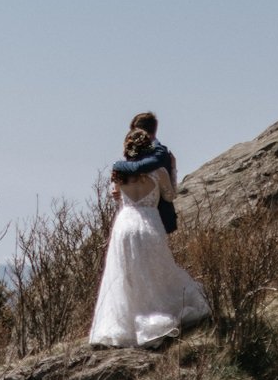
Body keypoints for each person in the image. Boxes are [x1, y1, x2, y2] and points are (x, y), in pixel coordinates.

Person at [88, 121, 209, 348]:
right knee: (156, 271)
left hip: (124, 225)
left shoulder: (119, 173)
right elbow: (170, 195)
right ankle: (155, 318)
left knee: (126, 276)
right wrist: (172, 170)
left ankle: (127, 326)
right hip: (148, 222)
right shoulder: (158, 172)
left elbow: (115, 196)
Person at [108, 109, 178, 233]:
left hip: (158, 218)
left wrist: (117, 165)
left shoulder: (160, 152)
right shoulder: (137, 152)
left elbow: (138, 168)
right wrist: (116, 188)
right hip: (132, 220)